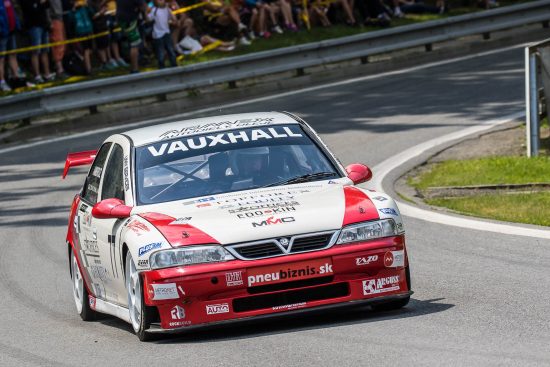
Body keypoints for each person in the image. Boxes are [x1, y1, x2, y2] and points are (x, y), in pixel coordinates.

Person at [20, 0, 55, 83]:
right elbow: (30, 9)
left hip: (44, 24)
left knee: (45, 51)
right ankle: (37, 75)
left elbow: (47, 5)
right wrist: (40, 3)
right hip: (33, 25)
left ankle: (47, 74)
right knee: (35, 51)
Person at [116, 0, 147, 73]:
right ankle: (134, 69)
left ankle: (134, 66)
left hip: (122, 20)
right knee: (135, 44)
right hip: (129, 20)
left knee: (132, 43)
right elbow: (144, 6)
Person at [147, 0, 177, 68]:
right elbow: (148, 19)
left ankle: (174, 64)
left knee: (170, 49)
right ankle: (161, 66)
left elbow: (173, 18)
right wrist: (146, 12)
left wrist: (173, 18)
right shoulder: (154, 10)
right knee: (160, 52)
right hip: (158, 35)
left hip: (166, 32)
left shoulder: (167, 9)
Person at [0, 0, 21, 91]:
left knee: (13, 55)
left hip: (11, 31)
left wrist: (17, 25)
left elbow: (12, 12)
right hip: (2, 33)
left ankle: (16, 78)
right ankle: (2, 82)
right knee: (1, 58)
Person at [50, 0, 68, 78]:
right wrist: (49, 21)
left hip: (60, 18)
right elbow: (47, 7)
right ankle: (59, 69)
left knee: (63, 43)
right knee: (58, 44)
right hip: (54, 19)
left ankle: (61, 66)